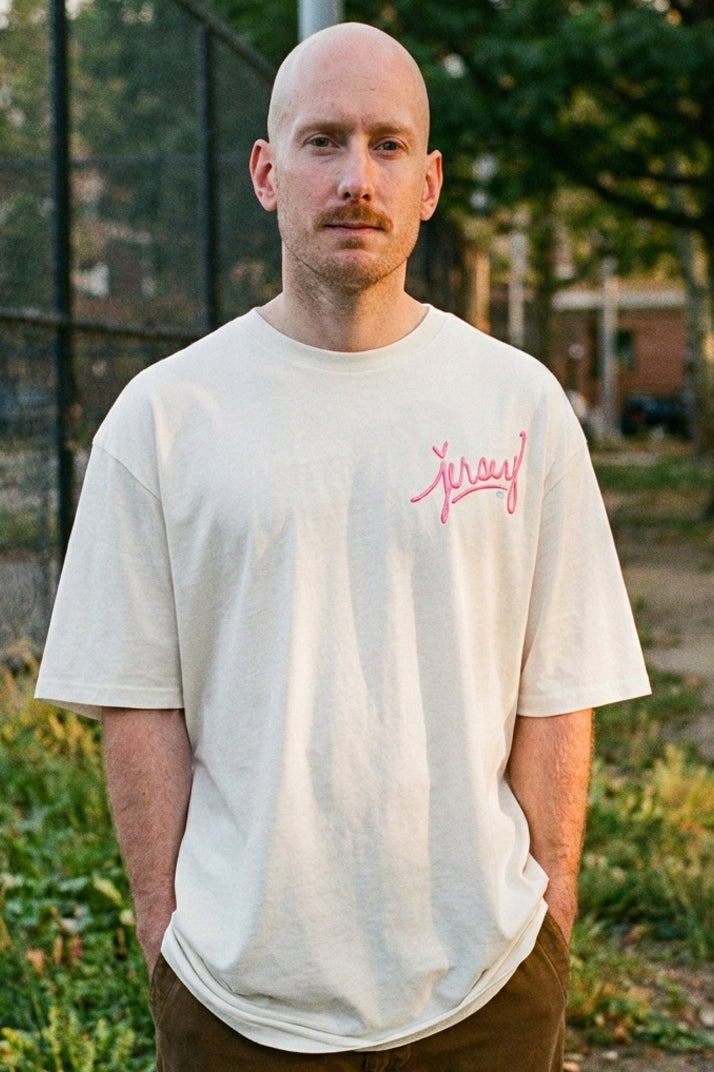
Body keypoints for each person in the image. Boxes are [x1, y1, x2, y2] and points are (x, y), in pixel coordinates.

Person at [36, 21, 650, 1072]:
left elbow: (559, 685)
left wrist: (550, 907)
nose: (356, 176)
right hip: (239, 1000)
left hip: (487, 985)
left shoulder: (519, 404)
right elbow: (139, 702)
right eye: (323, 141)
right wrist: (167, 937)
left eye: (387, 143)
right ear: (267, 173)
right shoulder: (166, 418)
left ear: (431, 180)